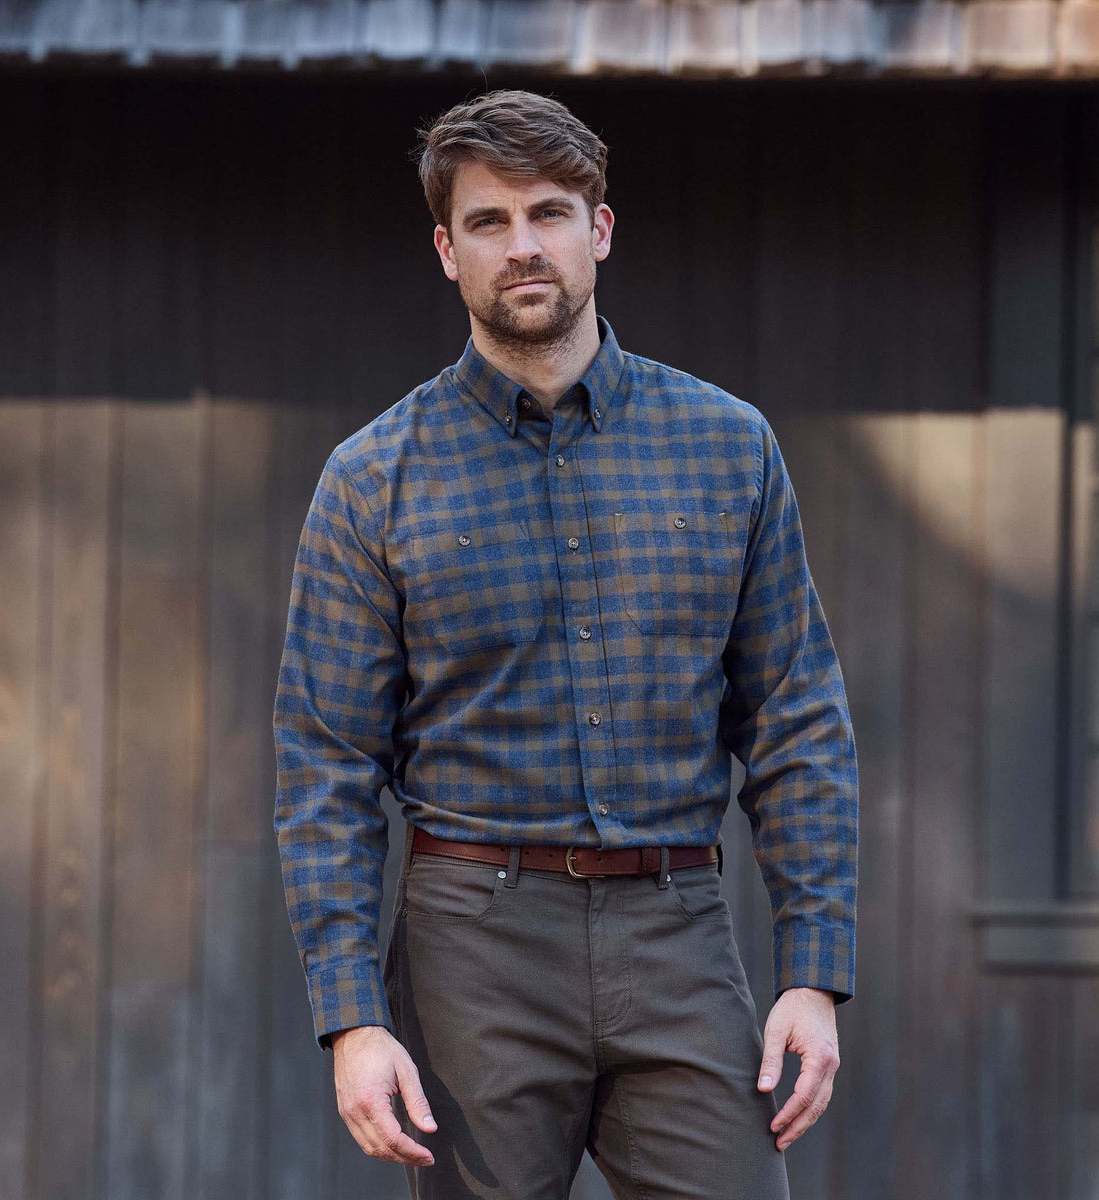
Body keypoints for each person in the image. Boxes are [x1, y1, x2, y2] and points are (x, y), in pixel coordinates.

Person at [273, 87, 858, 1200]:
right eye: (488, 222)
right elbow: (326, 765)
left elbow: (796, 717)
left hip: (679, 933)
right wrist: (350, 1015)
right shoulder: (374, 477)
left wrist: (814, 975)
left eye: (549, 212)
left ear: (599, 229)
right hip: (472, 952)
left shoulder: (728, 448)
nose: (522, 245)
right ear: (448, 252)